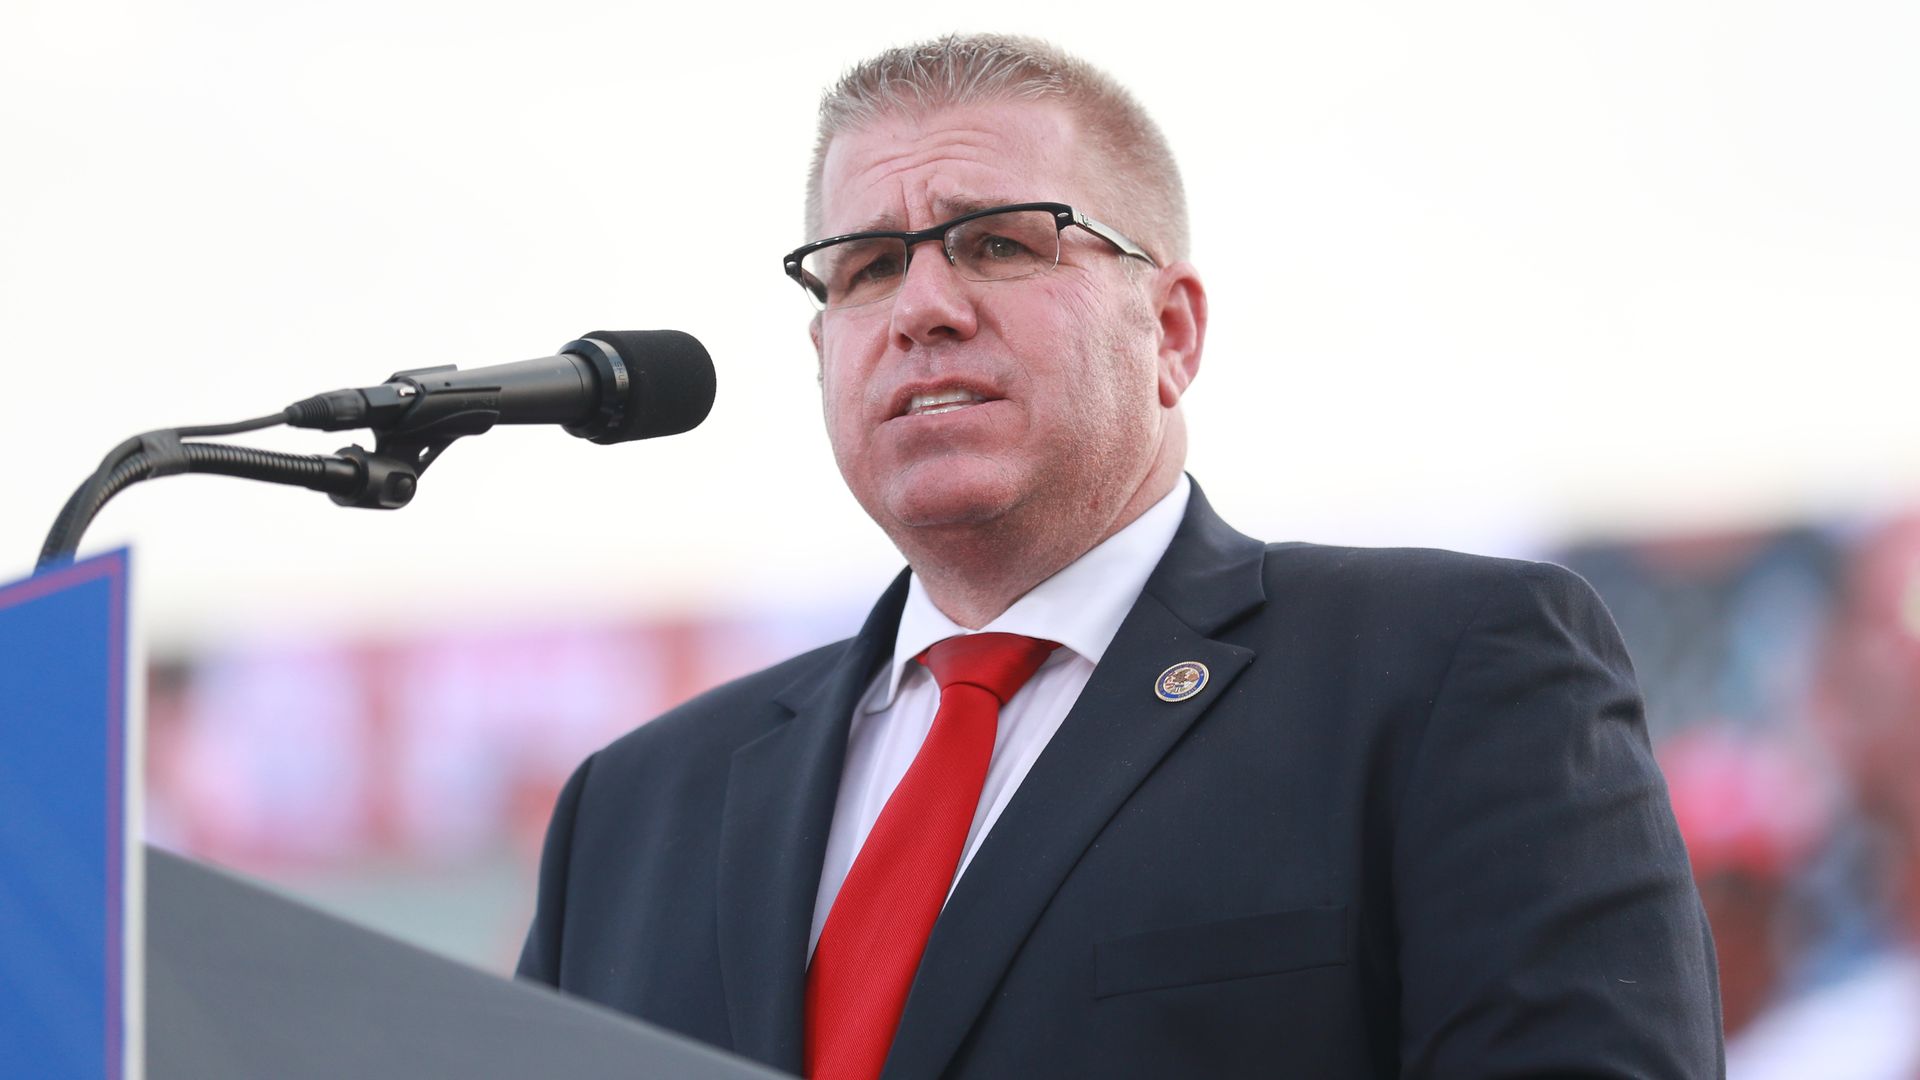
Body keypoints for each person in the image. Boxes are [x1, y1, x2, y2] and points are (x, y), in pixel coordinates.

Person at [518, 33, 1723, 1079]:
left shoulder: (1449, 669)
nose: (922, 306)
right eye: (870, 266)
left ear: (1173, 330)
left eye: (998, 244)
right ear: (824, 347)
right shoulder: (632, 810)